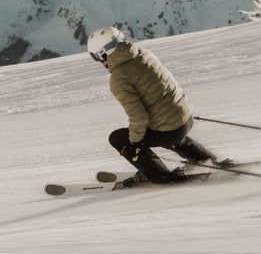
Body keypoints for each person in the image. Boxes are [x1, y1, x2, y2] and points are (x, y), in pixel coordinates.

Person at [87, 26, 232, 185]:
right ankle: (207, 161)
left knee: (118, 138)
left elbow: (139, 117)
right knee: (172, 134)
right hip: (185, 116)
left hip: (170, 129)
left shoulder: (119, 78)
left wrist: (134, 144)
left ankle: (159, 176)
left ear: (104, 53)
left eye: (96, 57)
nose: (99, 62)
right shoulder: (144, 54)